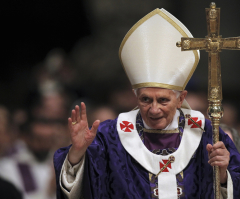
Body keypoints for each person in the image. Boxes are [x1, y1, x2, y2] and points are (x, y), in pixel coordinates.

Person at [54, 8, 240, 199]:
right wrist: (77, 153)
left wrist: (224, 174)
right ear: (136, 97)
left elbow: (230, 185)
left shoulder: (206, 134)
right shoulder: (109, 136)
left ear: (181, 99)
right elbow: (85, 188)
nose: (154, 109)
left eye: (163, 100)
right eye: (145, 99)